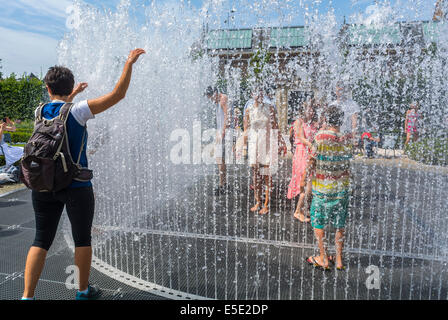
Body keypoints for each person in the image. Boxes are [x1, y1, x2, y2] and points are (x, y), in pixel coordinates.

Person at [22, 48, 146, 301]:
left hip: (43, 184)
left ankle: (27, 296)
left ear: (47, 87)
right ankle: (82, 291)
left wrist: (72, 94)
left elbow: (59, 110)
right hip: (76, 186)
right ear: (70, 88)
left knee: (40, 240)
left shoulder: (39, 112)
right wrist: (129, 64)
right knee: (82, 240)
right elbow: (117, 95)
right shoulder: (78, 110)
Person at [304, 105, 352, 270]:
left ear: (326, 119)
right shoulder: (347, 138)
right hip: (342, 189)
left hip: (323, 190)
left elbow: (312, 160)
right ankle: (338, 260)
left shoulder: (320, 136)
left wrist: (304, 178)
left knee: (319, 222)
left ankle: (323, 258)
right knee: (340, 224)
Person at [244, 88, 286, 215]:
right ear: (252, 94)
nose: (259, 95)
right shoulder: (248, 109)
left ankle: (266, 204)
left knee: (267, 175)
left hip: (267, 143)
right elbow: (246, 128)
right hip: (254, 143)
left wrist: (281, 141)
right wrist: (241, 144)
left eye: (261, 92)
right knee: (256, 175)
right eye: (256, 92)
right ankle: (257, 201)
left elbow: (275, 126)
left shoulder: (270, 108)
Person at [287, 99, 319, 223]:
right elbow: (300, 137)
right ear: (304, 110)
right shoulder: (298, 122)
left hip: (310, 153)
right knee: (305, 182)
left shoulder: (313, 124)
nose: (311, 112)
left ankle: (304, 208)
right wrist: (312, 145)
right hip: (302, 153)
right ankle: (298, 211)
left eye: (312, 109)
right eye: (309, 109)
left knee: (311, 181)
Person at [206, 86, 231, 196]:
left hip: (224, 133)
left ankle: (222, 185)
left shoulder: (223, 99)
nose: (211, 100)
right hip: (221, 132)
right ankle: (223, 183)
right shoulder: (218, 101)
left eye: (211, 97)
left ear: (215, 93)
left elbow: (227, 116)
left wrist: (223, 132)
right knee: (220, 160)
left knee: (219, 159)